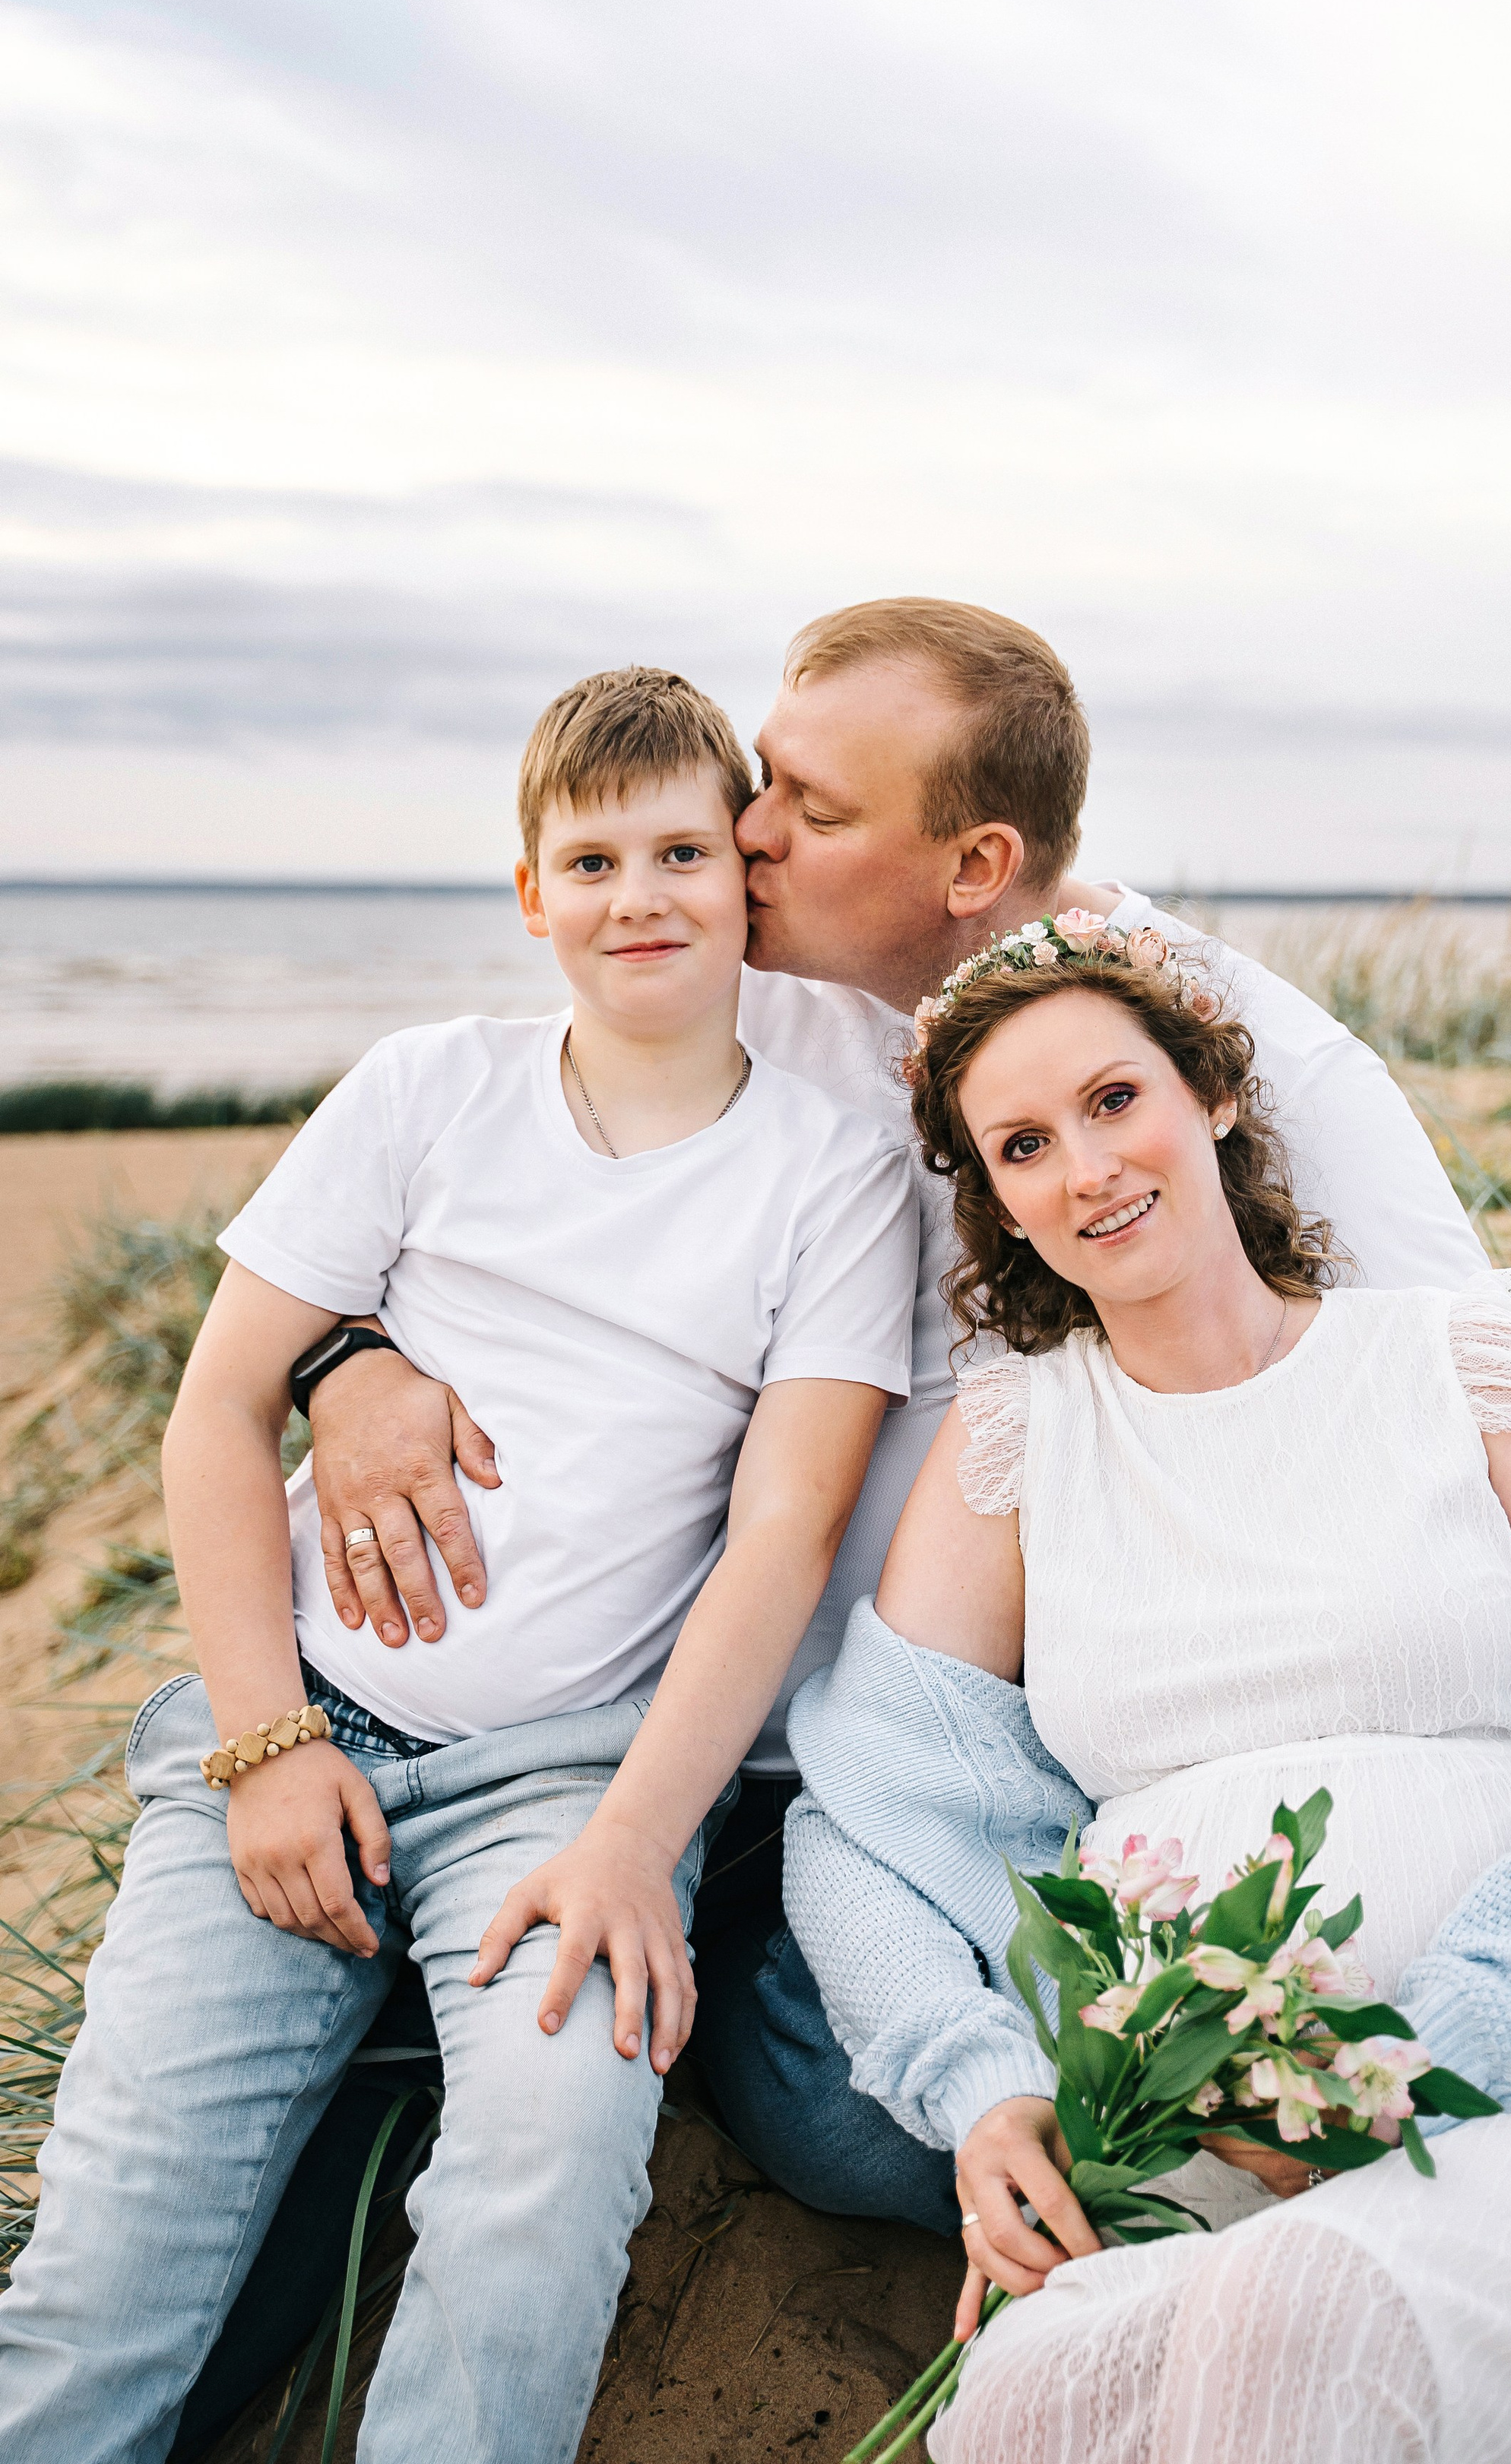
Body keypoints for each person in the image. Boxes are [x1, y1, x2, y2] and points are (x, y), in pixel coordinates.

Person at [296, 597, 1511, 2231]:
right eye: (763, 782)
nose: (740, 836)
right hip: (722, 1738)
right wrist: (343, 1358)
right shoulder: (760, 1000)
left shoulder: (1235, 1061)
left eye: (808, 813)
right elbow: (466, 1185)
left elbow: (1488, 1395)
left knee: (851, 2099)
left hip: (1059, 1748)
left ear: (971, 867)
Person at [781, 914, 1511, 2464]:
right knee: (1026, 2404)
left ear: (1213, 1097)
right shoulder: (1013, 1447)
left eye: (1114, 1101)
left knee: (1295, 2326)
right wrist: (974, 2086)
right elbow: (858, 1839)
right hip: (1199, 2133)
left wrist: (1448, 2051)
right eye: (1022, 1146)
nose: (1086, 1169)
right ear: (999, 1204)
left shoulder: (1465, 1360)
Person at [0, 667, 920, 2464]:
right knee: (119, 2243)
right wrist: (265, 1748)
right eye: (588, 860)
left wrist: (635, 1846)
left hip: (566, 1790)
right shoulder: (428, 1090)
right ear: (528, 896)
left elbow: (782, 1533)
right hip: (295, 1740)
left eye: (677, 852)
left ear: (743, 876)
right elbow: (213, 1422)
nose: (636, 896)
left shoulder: (830, 1175)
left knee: (537, 2206)